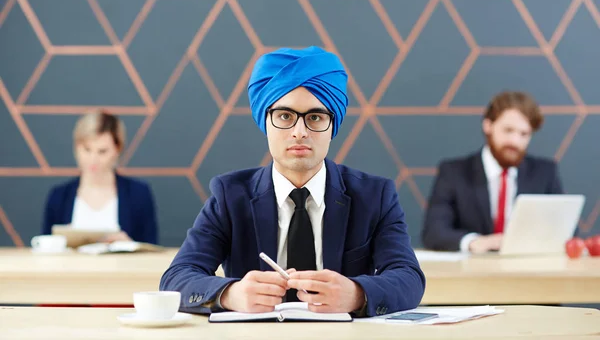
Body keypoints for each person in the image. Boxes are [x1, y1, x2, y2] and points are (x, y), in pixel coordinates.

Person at [160, 46, 425, 317]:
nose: (300, 132)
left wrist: (357, 294)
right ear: (266, 121)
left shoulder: (374, 195)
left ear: (333, 125)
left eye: (315, 117)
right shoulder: (230, 195)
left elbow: (409, 279)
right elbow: (177, 278)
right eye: (285, 116)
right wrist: (230, 294)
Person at [421, 91, 564, 253]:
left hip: (529, 271)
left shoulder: (545, 172)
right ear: (488, 126)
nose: (515, 141)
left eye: (524, 134)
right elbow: (433, 232)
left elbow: (566, 231)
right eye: (508, 130)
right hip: (471, 273)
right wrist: (474, 242)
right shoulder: (453, 172)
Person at [41, 111, 159, 244]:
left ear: (117, 149)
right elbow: (44, 250)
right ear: (76, 147)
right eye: (87, 149)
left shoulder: (139, 194)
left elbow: (152, 250)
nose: (93, 159)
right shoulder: (58, 196)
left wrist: (129, 245)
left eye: (102, 151)